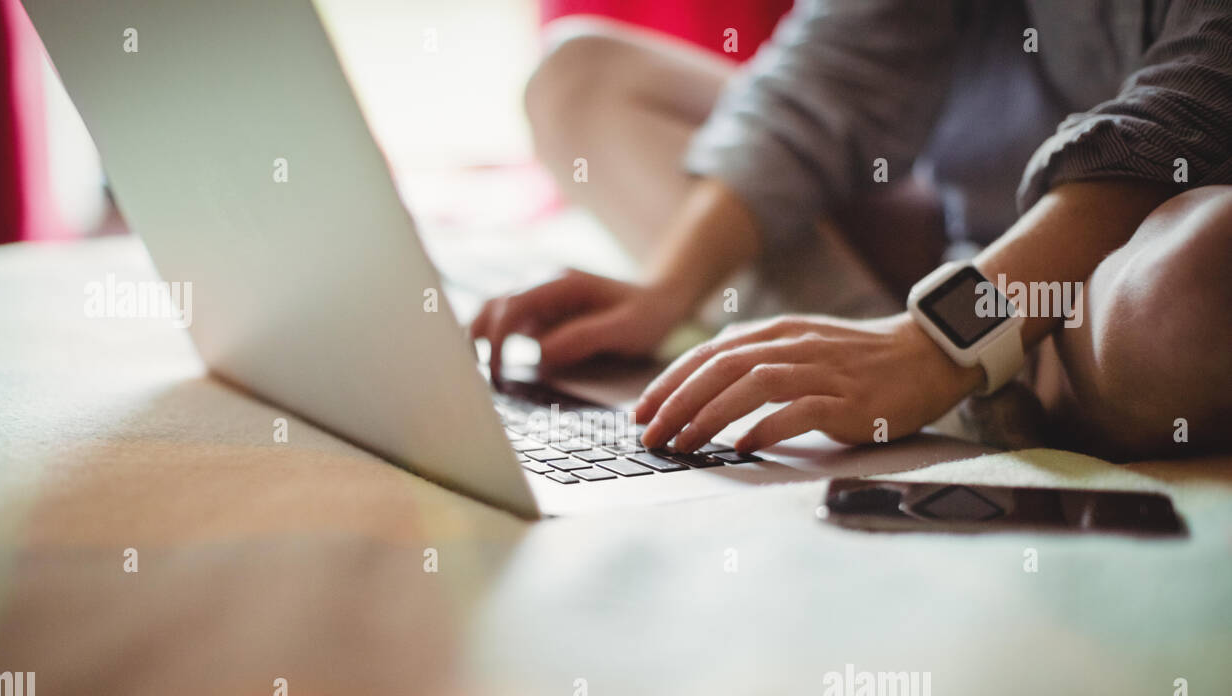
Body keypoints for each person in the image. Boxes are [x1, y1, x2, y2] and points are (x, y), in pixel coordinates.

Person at [469, 0, 1232, 460]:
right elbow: (824, 77)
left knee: (1201, 273)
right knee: (581, 80)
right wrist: (666, 288)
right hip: (952, 234)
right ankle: (884, 369)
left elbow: (1180, 127)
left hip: (1109, 279)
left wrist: (938, 344)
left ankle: (964, 381)